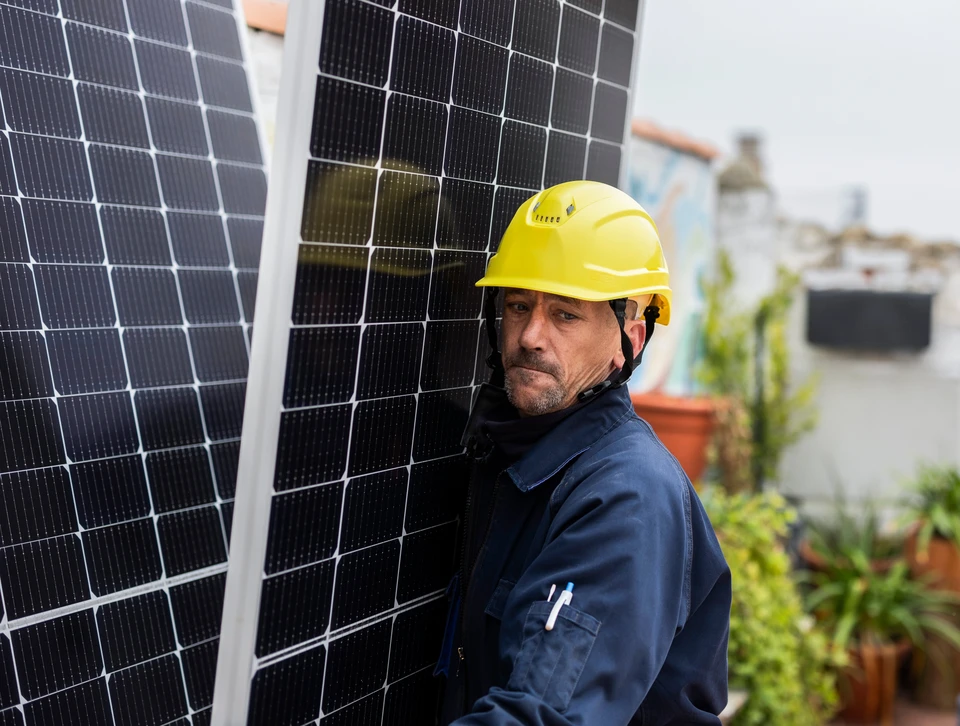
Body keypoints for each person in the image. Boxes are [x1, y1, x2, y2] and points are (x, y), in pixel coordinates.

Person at [435, 180, 731, 725]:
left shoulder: (626, 498)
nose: (529, 336)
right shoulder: (509, 458)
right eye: (519, 305)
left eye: (566, 315)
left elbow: (543, 716)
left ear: (631, 340)